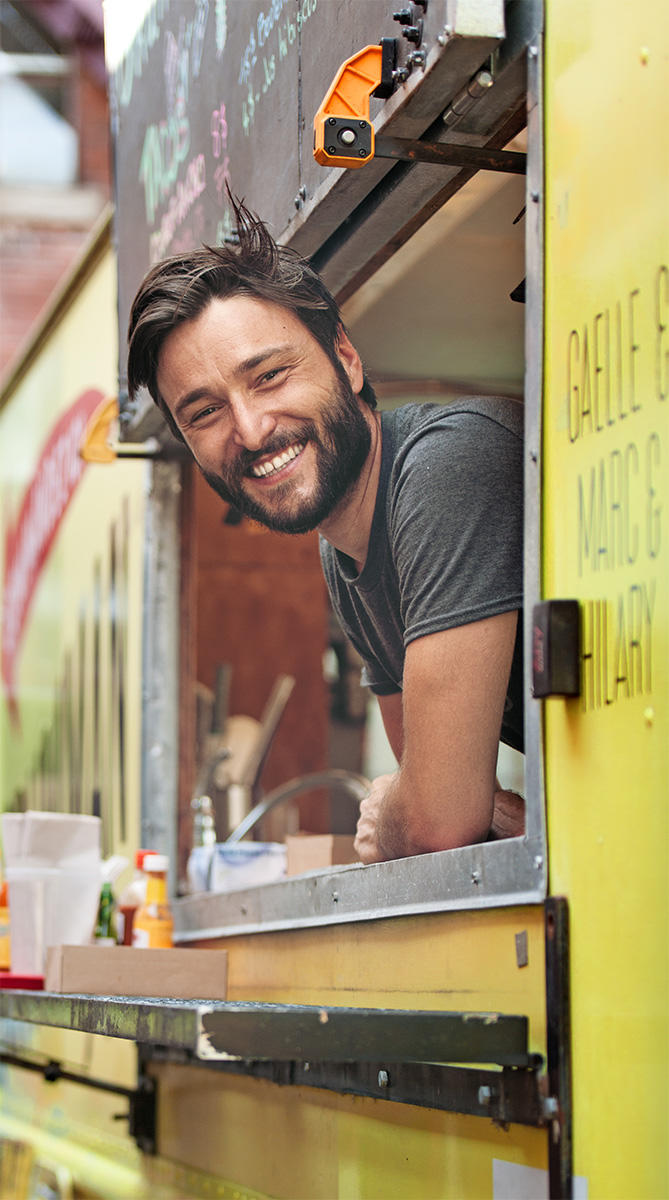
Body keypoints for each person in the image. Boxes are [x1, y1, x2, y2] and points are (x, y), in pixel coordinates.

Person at [127, 197, 525, 864]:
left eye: (269, 376)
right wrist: (430, 805)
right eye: (203, 412)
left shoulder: (446, 464)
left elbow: (434, 821)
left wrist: (411, 810)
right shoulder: (345, 555)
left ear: (345, 357)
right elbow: (441, 811)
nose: (250, 430)